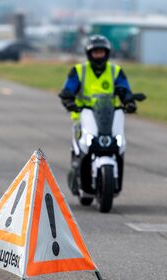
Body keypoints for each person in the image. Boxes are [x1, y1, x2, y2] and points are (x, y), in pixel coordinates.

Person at [58, 34, 137, 195]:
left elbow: (125, 90)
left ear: (107, 53)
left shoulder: (115, 71)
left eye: (101, 52)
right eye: (95, 52)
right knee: (83, 148)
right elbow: (68, 90)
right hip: (84, 117)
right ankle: (78, 177)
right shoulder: (79, 71)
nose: (98, 55)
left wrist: (129, 101)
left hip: (109, 117)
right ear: (89, 54)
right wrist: (68, 101)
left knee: (118, 145)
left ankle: (114, 184)